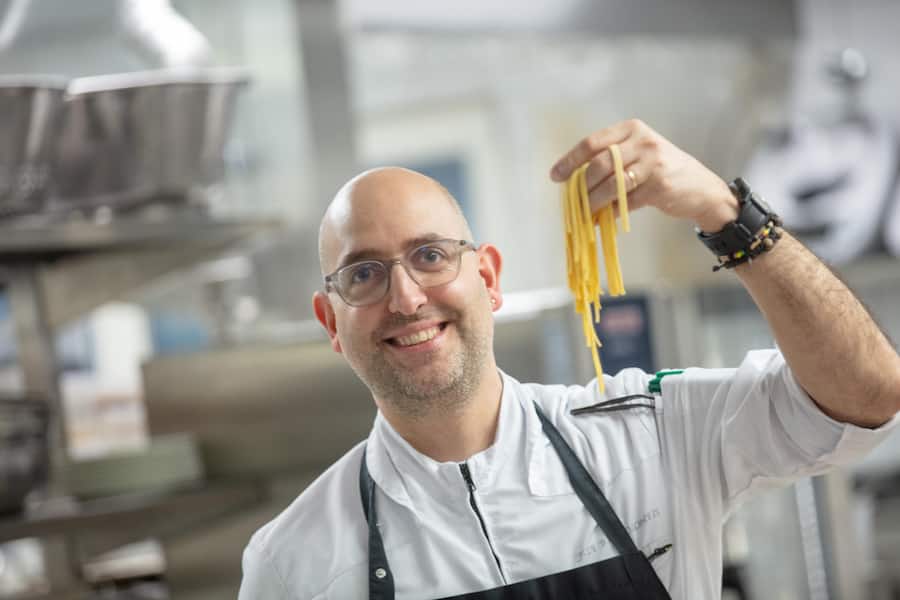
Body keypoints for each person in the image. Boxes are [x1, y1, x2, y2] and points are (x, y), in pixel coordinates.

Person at [238, 119, 900, 599]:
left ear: (489, 278)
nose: (407, 297)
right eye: (363, 275)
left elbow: (870, 396)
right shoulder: (294, 562)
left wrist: (729, 214)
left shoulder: (653, 430)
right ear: (331, 321)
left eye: (432, 255)